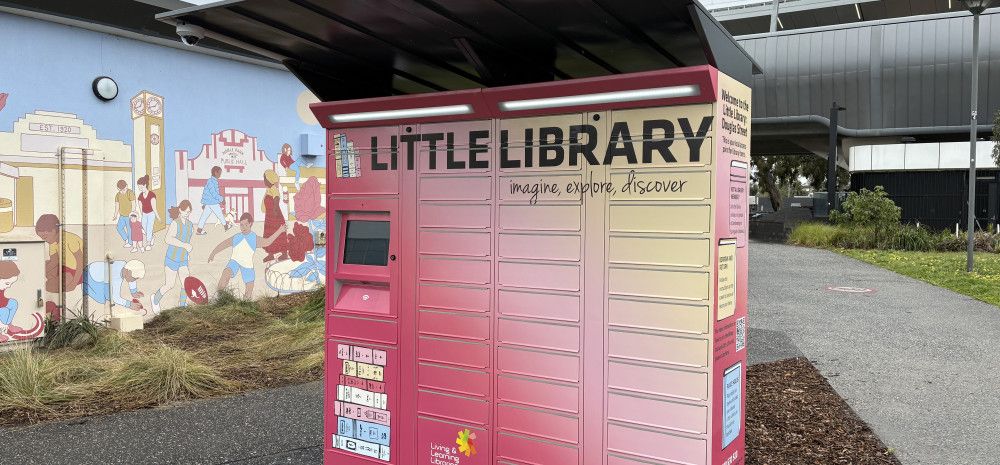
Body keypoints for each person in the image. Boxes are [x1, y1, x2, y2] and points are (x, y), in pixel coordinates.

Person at [208, 213, 286, 300]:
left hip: (247, 265)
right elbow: (224, 244)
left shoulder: (254, 238)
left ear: (250, 224)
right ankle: (220, 298)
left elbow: (267, 242)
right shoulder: (236, 237)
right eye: (241, 225)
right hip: (234, 261)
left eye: (246, 224)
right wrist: (213, 253)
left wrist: (280, 230)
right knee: (226, 273)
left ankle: (245, 304)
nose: (243, 227)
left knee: (249, 287)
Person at [151, 200, 194, 313]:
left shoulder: (190, 225)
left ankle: (182, 305)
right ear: (180, 210)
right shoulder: (175, 223)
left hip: (183, 259)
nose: (187, 213)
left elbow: (187, 240)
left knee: (186, 283)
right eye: (185, 211)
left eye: (189, 212)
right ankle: (155, 299)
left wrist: (187, 253)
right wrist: (184, 246)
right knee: (170, 284)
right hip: (172, 258)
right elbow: (168, 239)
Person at [35, 214, 84, 295]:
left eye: (45, 237)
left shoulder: (70, 239)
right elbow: (53, 262)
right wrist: (39, 272)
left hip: (75, 272)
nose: (44, 240)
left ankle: (59, 281)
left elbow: (80, 263)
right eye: (42, 238)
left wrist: (73, 284)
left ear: (53, 231)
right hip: (63, 268)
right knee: (46, 264)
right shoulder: (53, 243)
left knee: (49, 286)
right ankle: (56, 280)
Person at [260, 170, 287, 262]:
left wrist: (275, 209)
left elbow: (277, 197)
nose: (264, 181)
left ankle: (284, 254)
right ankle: (270, 254)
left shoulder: (273, 189)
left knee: (279, 234)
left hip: (276, 216)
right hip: (269, 216)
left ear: (269, 179)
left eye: (265, 179)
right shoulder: (268, 190)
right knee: (269, 234)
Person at [197, 166, 228, 235]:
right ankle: (226, 226)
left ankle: (199, 230)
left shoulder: (213, 181)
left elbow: (209, 193)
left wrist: (205, 203)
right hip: (212, 202)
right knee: (219, 214)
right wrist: (221, 199)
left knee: (204, 216)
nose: (220, 174)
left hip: (209, 202)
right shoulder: (211, 181)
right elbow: (213, 193)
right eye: (219, 173)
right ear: (215, 172)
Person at [136, 175, 160, 251]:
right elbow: (140, 207)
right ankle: (152, 237)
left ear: (145, 185)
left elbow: (154, 208)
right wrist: (141, 215)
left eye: (140, 187)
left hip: (151, 213)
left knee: (149, 228)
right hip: (144, 214)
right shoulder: (140, 196)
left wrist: (158, 216)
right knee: (144, 227)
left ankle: (148, 243)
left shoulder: (152, 195)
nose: (139, 188)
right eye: (138, 187)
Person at [112, 180, 136, 248]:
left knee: (130, 230)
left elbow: (133, 203)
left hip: (129, 215)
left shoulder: (130, 192)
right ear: (118, 189)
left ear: (126, 186)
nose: (122, 191)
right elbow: (117, 205)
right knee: (119, 228)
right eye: (120, 190)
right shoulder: (118, 195)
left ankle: (130, 242)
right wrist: (115, 214)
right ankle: (126, 240)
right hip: (122, 215)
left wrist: (132, 212)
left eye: (124, 190)